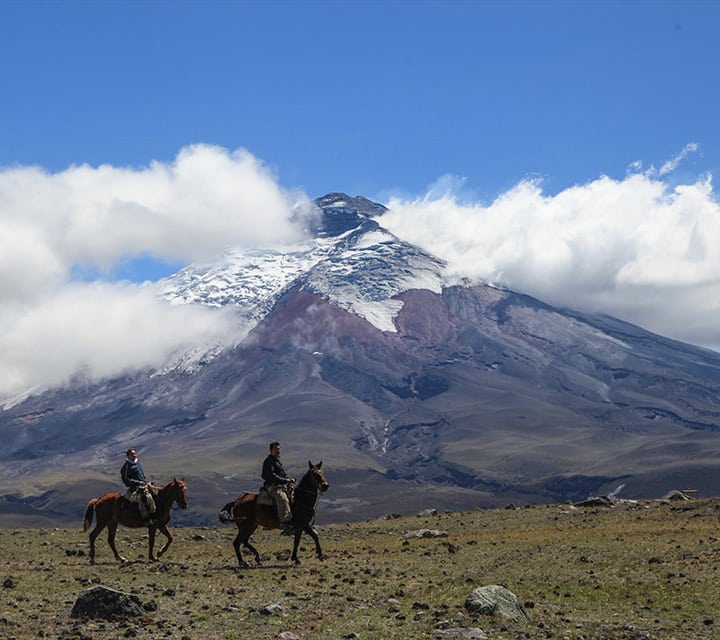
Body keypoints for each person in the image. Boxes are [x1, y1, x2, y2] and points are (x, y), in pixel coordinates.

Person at [261, 441, 296, 534]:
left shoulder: (277, 462)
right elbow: (271, 476)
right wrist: (285, 480)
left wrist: (288, 479)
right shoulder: (269, 462)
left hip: (281, 485)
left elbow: (282, 474)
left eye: (278, 449)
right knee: (282, 498)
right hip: (273, 486)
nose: (278, 451)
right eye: (276, 449)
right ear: (271, 450)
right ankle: (285, 522)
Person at [120, 447, 157, 524]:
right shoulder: (127, 466)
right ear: (128, 456)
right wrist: (137, 483)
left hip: (143, 485)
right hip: (135, 488)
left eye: (134, 454)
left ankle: (156, 514)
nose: (134, 455)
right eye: (132, 454)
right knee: (144, 499)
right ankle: (146, 518)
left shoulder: (137, 463)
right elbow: (126, 479)